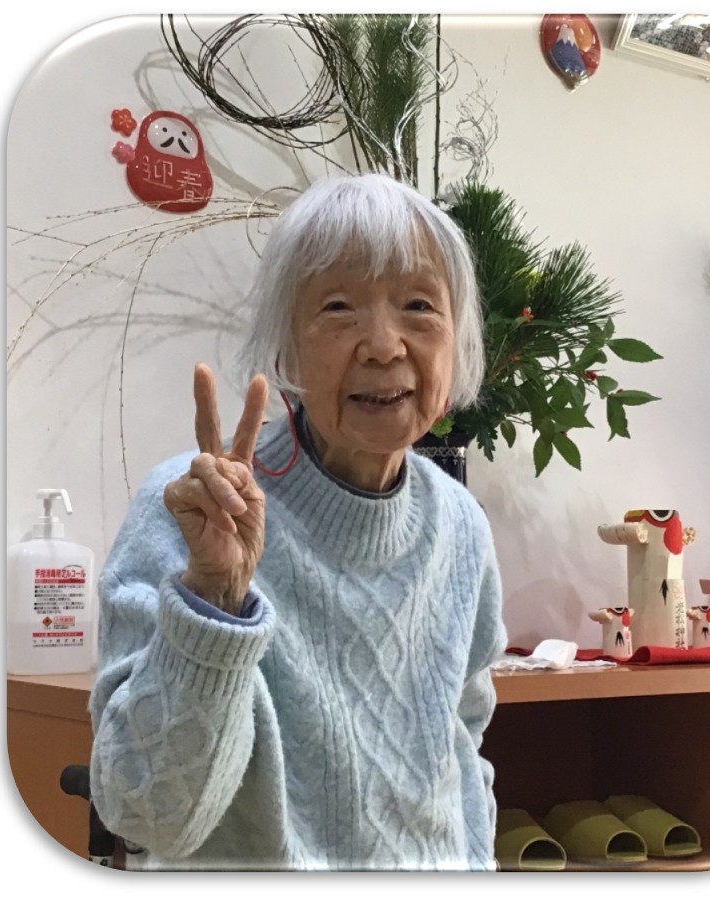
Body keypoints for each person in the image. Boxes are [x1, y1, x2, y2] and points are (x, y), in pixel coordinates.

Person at [88, 172, 507, 871]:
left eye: (419, 306)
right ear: (286, 348)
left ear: (456, 340)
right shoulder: (194, 508)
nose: (383, 345)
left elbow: (464, 750)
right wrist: (215, 598)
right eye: (338, 307)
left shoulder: (460, 524)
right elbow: (150, 817)